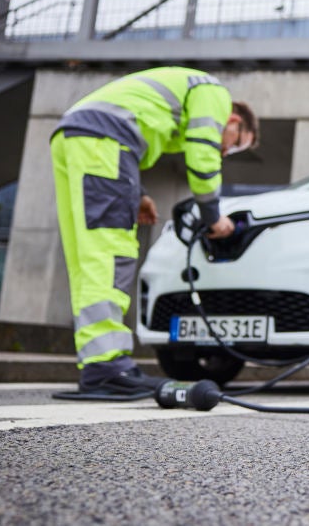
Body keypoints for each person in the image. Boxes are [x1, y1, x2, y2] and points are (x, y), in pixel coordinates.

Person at [50, 66, 258, 396]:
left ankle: (97, 366)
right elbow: (203, 153)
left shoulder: (179, 96)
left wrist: (139, 193)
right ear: (233, 120)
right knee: (110, 253)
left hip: (74, 137)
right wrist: (213, 216)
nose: (226, 151)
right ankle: (107, 366)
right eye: (234, 145)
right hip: (106, 139)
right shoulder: (214, 93)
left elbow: (121, 144)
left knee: (86, 255)